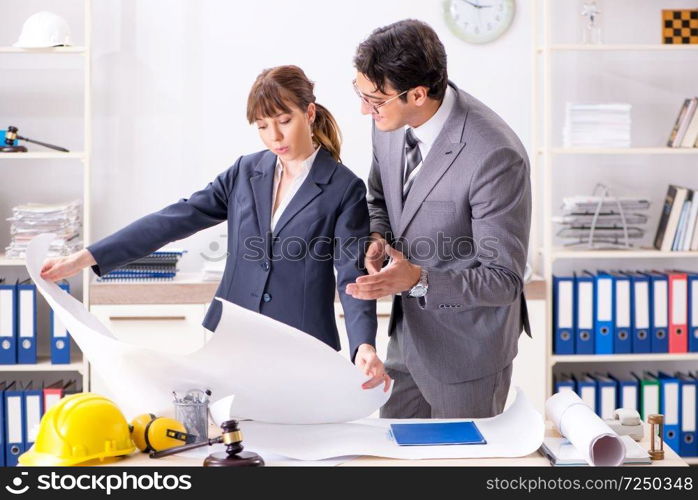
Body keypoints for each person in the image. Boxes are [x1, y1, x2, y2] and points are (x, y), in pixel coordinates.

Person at [41, 65, 390, 391]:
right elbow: (176, 218)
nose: (275, 136)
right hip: (231, 339)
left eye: (284, 120)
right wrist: (87, 257)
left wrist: (363, 345)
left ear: (309, 113)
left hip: (303, 345)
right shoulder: (245, 172)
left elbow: (351, 275)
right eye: (263, 126)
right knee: (231, 445)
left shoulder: (343, 187)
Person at [346, 20, 532, 417]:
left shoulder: (494, 155)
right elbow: (379, 197)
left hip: (469, 354)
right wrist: (378, 234)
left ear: (417, 94)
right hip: (407, 340)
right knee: (392, 461)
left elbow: (503, 279)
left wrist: (419, 279)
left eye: (375, 99)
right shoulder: (387, 123)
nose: (365, 109)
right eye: (361, 94)